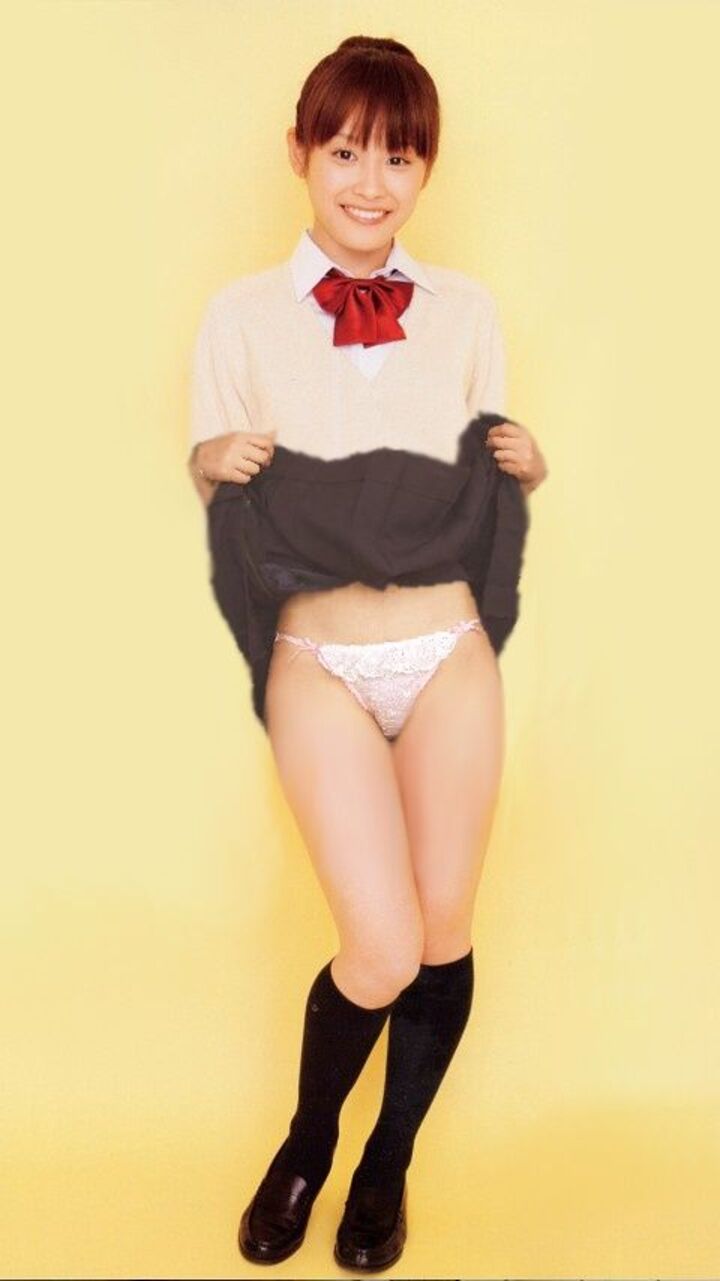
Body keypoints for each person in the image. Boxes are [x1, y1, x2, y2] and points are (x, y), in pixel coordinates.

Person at [188, 34, 548, 1273]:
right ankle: (308, 1145)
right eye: (345, 151)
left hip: (447, 650)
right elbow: (222, 489)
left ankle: (387, 1164)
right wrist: (210, 463)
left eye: (400, 157)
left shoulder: (468, 313)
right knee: (381, 942)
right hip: (321, 662)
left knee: (443, 932)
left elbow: (480, 485)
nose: (371, 182)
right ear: (300, 152)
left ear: (425, 169)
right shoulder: (238, 317)